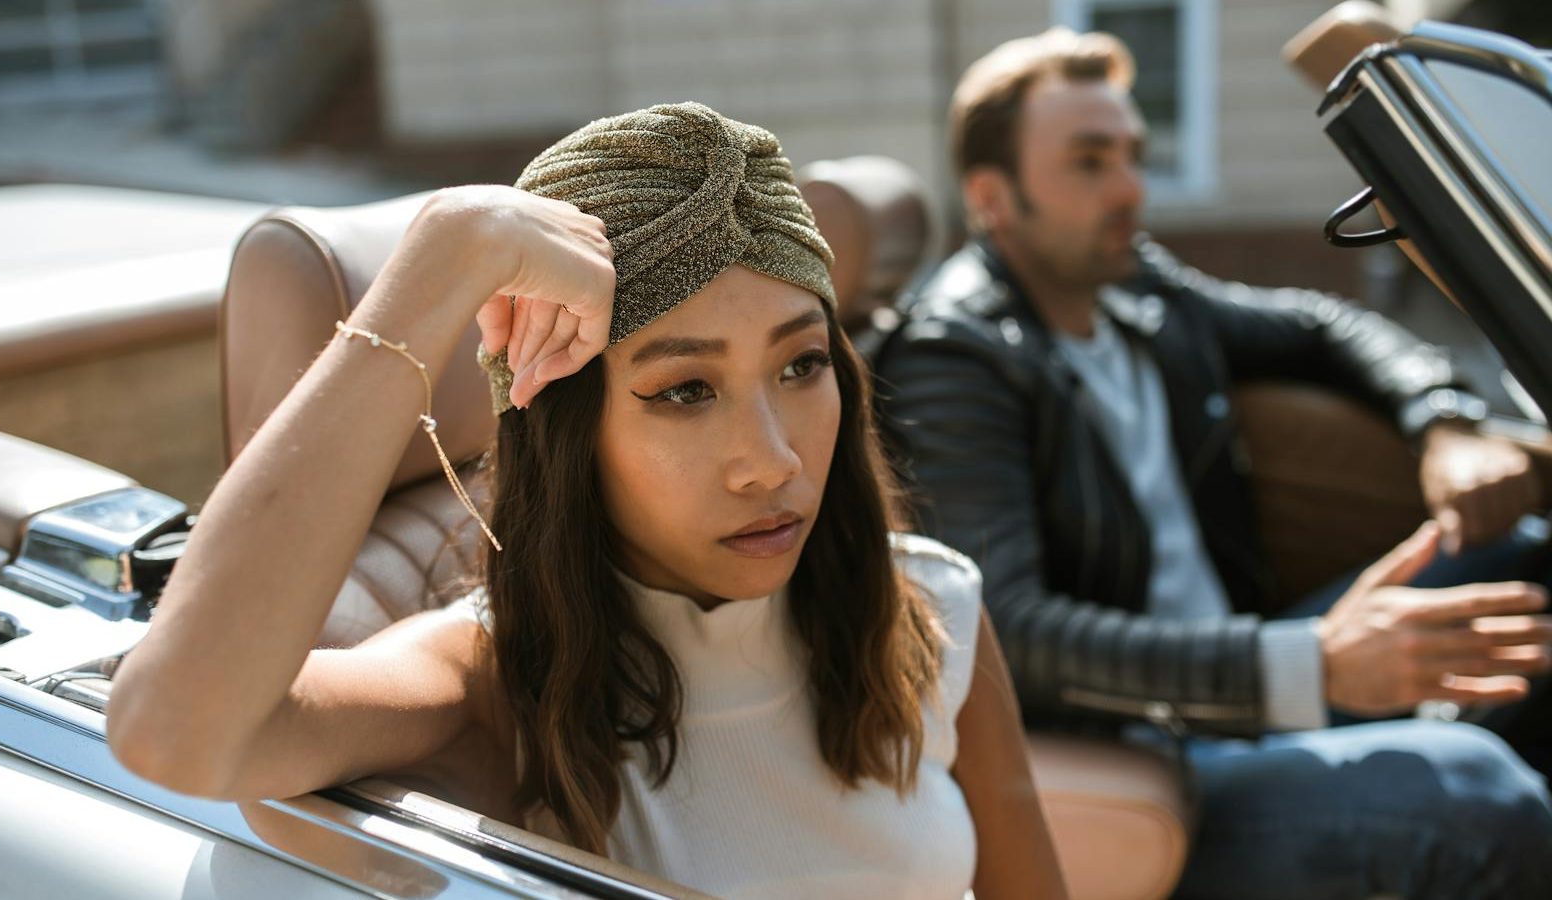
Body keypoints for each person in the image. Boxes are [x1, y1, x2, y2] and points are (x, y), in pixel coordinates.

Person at [104, 102, 1068, 900]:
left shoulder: (928, 610)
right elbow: (175, 734)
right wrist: (444, 259)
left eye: (802, 363)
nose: (772, 463)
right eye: (685, 390)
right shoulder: (494, 679)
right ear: (569, 438)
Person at [873, 27, 1552, 899]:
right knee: (1484, 796)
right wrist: (1309, 664)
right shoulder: (954, 356)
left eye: (1132, 154)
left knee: (1529, 560)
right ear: (992, 198)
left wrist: (1446, 419)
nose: (1129, 188)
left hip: (1249, 675)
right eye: (1089, 162)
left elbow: (1317, 324)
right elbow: (1006, 630)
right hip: (1152, 744)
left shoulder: (1133, 288)